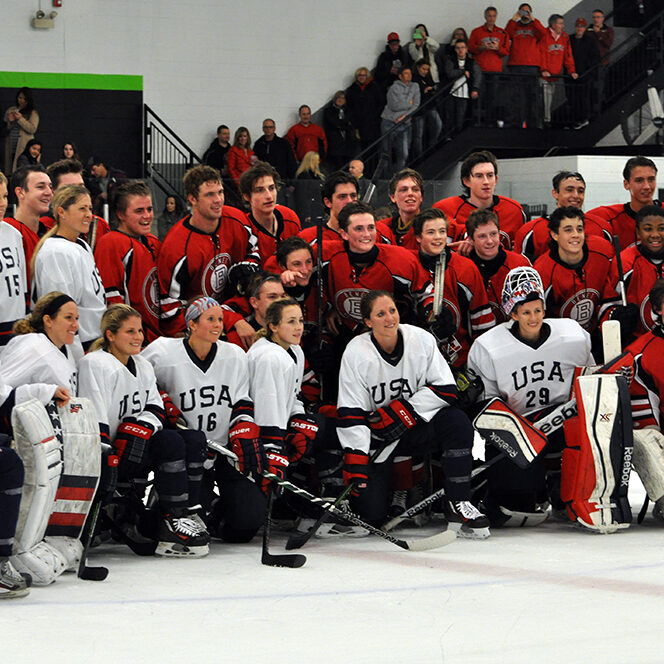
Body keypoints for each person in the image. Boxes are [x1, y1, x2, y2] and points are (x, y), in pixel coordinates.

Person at [337, 289, 490, 536]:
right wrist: (356, 459)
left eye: (392, 311)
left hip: (415, 430)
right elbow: (350, 411)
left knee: (456, 422)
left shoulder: (421, 340)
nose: (389, 319)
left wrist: (403, 412)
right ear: (367, 322)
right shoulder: (356, 352)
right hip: (380, 439)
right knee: (371, 515)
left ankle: (459, 502)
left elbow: (447, 389)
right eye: (380, 314)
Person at [80, 305, 210, 557]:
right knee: (169, 441)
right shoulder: (94, 363)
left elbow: (155, 407)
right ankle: (162, 518)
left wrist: (141, 426)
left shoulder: (142, 364)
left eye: (139, 330)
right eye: (130, 331)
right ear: (110, 335)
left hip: (135, 446)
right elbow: (93, 415)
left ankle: (178, 514)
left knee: (188, 439)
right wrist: (106, 453)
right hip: (110, 454)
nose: (138, 336)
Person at [467, 266, 593, 525]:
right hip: (517, 435)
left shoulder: (572, 335)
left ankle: (560, 482)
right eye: (525, 312)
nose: (533, 317)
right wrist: (513, 433)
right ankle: (508, 488)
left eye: (538, 310)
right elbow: (486, 407)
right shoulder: (488, 347)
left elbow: (589, 380)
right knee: (516, 502)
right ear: (513, 313)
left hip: (563, 425)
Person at [142, 297, 265, 542]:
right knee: (188, 510)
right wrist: (161, 398)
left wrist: (242, 426)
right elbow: (137, 375)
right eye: (210, 319)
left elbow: (241, 398)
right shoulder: (163, 351)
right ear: (192, 324)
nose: (218, 324)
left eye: (220, 319)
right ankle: (159, 506)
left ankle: (217, 513)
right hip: (188, 451)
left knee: (247, 524)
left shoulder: (234, 354)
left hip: (223, 448)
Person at [157, 164, 260, 335]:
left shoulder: (236, 219)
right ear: (192, 199)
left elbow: (254, 249)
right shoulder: (175, 247)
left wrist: (247, 268)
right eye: (210, 195)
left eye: (220, 192)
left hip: (237, 310)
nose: (218, 199)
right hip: (200, 328)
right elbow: (169, 309)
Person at [324, 201, 434, 339]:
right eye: (359, 229)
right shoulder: (327, 255)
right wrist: (328, 308)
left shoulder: (400, 259)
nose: (367, 234)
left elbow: (427, 293)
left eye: (371, 228)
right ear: (344, 234)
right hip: (345, 336)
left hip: (393, 336)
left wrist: (432, 313)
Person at [413, 208, 495, 367]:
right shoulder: (408, 265)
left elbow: (482, 323)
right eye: (430, 232)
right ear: (418, 237)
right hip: (418, 361)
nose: (438, 237)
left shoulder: (466, 268)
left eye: (442, 231)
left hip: (458, 359)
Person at [31, 185, 105, 349]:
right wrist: (73, 353)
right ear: (61, 212)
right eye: (82, 209)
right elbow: (62, 313)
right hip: (79, 343)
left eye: (90, 209)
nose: (89, 215)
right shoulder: (56, 252)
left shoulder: (81, 244)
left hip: (93, 339)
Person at [532, 206, 617, 347]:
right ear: (554, 235)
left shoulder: (601, 252)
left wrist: (615, 315)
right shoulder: (542, 270)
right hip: (559, 343)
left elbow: (608, 298)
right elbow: (539, 318)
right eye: (568, 230)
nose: (575, 235)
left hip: (597, 338)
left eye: (579, 229)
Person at [94, 180, 162, 343]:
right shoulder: (111, 243)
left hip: (156, 337)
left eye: (149, 209)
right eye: (139, 211)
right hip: (134, 341)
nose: (147, 216)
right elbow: (112, 301)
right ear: (121, 214)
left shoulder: (152, 241)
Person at [434, 150, 526, 250]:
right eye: (479, 176)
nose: (486, 182)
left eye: (490, 175)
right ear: (466, 181)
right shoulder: (445, 209)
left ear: (496, 179)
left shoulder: (514, 210)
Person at [514, 170, 612, 263]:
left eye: (580, 191)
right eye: (569, 190)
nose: (576, 195)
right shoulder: (531, 231)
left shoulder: (601, 228)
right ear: (555, 193)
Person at [1, 292, 82, 394]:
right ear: (48, 320)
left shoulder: (64, 348)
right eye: (68, 317)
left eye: (76, 318)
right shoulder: (32, 346)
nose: (75, 325)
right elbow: (2, 391)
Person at [604, 205, 664, 342]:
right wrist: (616, 315)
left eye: (661, 228)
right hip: (636, 345)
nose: (655, 235)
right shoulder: (625, 262)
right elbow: (606, 305)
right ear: (638, 232)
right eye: (648, 229)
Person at [466, 208, 530, 324]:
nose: (490, 241)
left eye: (493, 234)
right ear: (471, 240)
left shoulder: (519, 264)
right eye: (482, 236)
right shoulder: (463, 268)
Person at [587, 156, 660, 251]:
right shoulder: (609, 216)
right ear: (626, 184)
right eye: (639, 180)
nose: (646, 186)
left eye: (651, 179)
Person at [238, 161, 300, 265]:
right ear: (247, 197)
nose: (269, 196)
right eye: (260, 190)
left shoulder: (290, 217)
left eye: (271, 188)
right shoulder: (244, 231)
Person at [45, 158, 110, 251]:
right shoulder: (42, 227)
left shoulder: (99, 225)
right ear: (53, 191)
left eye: (80, 186)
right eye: (70, 188)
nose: (78, 193)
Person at [4, 165, 54, 282]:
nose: (49, 192)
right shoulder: (8, 232)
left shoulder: (50, 232)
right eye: (41, 187)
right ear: (20, 192)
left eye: (50, 187)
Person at [505, 4, 547, 127]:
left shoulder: (534, 26)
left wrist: (533, 20)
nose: (525, 14)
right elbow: (506, 34)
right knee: (515, 97)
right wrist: (513, 19)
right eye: (522, 12)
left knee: (533, 96)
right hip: (515, 65)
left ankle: (533, 124)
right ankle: (515, 123)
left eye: (527, 12)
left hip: (531, 66)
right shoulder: (515, 25)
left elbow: (544, 34)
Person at [0, 170, 28, 351]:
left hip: (16, 333)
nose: (2, 203)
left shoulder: (14, 234)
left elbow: (22, 285)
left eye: (4, 196)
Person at [539, 14, 577, 128]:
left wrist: (571, 71)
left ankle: (546, 120)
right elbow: (541, 53)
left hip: (555, 74)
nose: (562, 26)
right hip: (544, 75)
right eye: (560, 23)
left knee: (549, 99)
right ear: (553, 24)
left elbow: (568, 56)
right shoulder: (544, 35)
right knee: (544, 98)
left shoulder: (565, 37)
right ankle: (545, 121)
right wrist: (544, 69)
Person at [381, 66, 420, 173]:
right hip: (389, 121)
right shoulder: (394, 88)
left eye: (410, 73)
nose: (409, 75)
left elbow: (416, 105)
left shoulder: (415, 86)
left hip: (405, 122)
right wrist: (409, 103)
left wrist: (405, 116)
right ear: (400, 76)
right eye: (406, 73)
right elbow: (394, 105)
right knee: (386, 151)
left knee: (403, 153)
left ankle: (399, 175)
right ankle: (385, 175)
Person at [345, 68, 384, 169]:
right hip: (360, 126)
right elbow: (349, 108)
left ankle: (374, 172)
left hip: (373, 124)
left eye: (363, 75)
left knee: (374, 150)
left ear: (367, 76)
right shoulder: (352, 90)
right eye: (359, 75)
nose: (362, 77)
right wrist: (355, 124)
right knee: (363, 150)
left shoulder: (375, 87)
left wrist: (375, 117)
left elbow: (380, 104)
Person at [378, 168, 425, 249]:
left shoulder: (432, 227)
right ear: (393, 197)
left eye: (415, 189)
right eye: (404, 190)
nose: (410, 193)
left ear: (421, 197)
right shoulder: (381, 228)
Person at [568, 18, 600, 129]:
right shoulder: (569, 39)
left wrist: (588, 73)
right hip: (570, 75)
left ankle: (584, 119)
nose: (579, 28)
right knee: (571, 98)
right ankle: (574, 120)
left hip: (585, 76)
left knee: (584, 98)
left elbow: (595, 58)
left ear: (585, 28)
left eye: (581, 26)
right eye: (578, 26)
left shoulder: (590, 41)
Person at [444, 39, 482, 133]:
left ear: (466, 49)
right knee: (450, 117)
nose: (460, 50)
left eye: (462, 47)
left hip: (465, 94)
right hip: (451, 93)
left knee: (460, 117)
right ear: (455, 50)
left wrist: (475, 89)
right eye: (458, 48)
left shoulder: (472, 62)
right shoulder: (450, 61)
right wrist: (463, 72)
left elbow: (478, 76)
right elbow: (450, 73)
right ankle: (448, 136)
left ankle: (458, 136)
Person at [411, 59, 443, 158]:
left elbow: (434, 87)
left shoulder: (428, 77)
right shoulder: (414, 78)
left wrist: (430, 89)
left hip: (429, 105)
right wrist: (426, 89)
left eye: (427, 69)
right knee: (418, 134)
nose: (425, 71)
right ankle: (419, 155)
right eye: (423, 69)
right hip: (419, 109)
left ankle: (432, 144)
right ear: (418, 68)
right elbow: (419, 92)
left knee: (438, 124)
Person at [4, 87, 39, 174]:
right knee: (9, 165)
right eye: (20, 98)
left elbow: (32, 129)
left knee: (21, 166)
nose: (21, 100)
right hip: (11, 142)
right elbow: (6, 128)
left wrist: (20, 119)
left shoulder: (32, 112)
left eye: (24, 99)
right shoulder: (11, 110)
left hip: (23, 144)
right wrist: (10, 121)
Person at [586, 8, 614, 115]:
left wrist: (598, 33)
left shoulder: (608, 30)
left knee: (599, 87)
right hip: (590, 64)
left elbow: (608, 43)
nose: (596, 19)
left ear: (602, 19)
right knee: (590, 88)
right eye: (594, 17)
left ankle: (598, 111)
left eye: (598, 17)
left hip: (602, 63)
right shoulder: (588, 31)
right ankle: (591, 111)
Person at [323, 91, 355, 171]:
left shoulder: (349, 111)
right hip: (335, 145)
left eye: (343, 98)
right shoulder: (328, 111)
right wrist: (345, 124)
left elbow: (351, 125)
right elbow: (333, 123)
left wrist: (340, 125)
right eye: (338, 98)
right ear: (335, 99)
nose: (341, 100)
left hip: (347, 145)